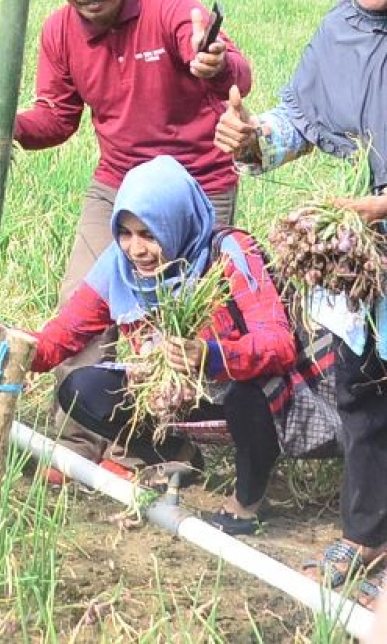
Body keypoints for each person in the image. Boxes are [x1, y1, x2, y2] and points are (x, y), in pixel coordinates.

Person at [216, 0, 387, 596]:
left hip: (366, 219)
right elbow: (302, 120)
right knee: (363, 391)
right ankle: (364, 535)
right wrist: (254, 137)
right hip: (356, 250)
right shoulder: (338, 31)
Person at [22, 155, 337, 535]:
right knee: (82, 389)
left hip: (244, 387)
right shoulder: (116, 267)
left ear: (176, 224)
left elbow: (279, 344)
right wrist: (11, 350)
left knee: (245, 395)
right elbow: (62, 336)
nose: (136, 249)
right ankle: (176, 455)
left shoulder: (229, 253)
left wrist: (211, 356)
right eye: (125, 232)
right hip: (174, 394)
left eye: (149, 234)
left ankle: (248, 501)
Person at [0, 0, 251, 304]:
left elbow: (236, 77)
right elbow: (57, 119)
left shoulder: (168, 5)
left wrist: (214, 62)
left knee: (190, 319)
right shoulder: (59, 31)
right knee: (80, 310)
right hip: (119, 183)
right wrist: (4, 125)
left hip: (196, 184)